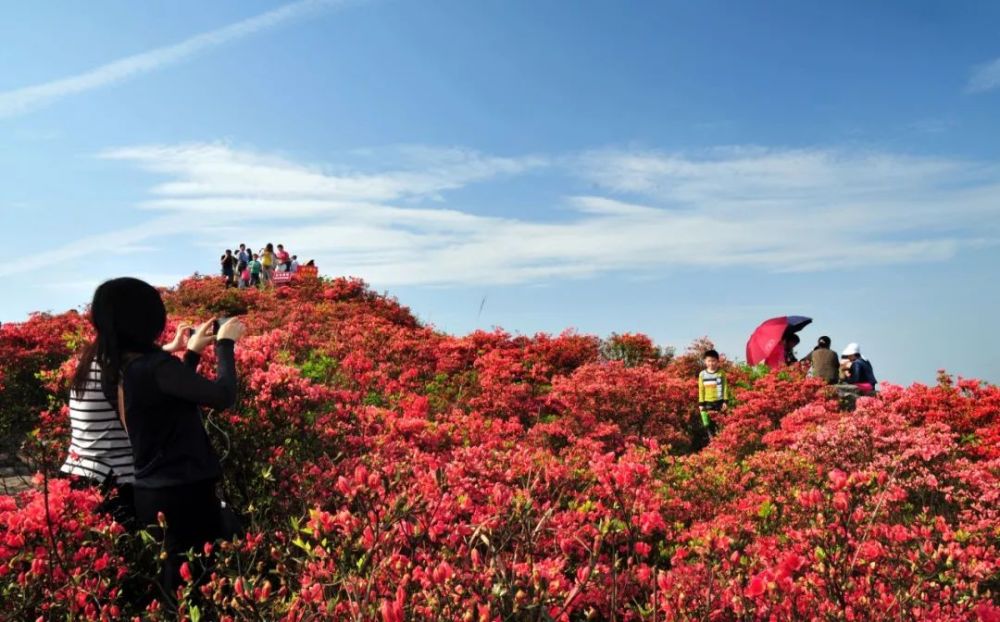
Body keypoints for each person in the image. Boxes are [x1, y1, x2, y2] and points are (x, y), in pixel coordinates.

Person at [86, 277, 246, 602]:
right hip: (185, 494)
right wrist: (225, 344)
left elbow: (168, 400)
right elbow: (223, 396)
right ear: (147, 319)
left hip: (151, 494)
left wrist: (192, 354)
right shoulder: (155, 366)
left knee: (176, 584)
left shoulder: (117, 368)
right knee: (200, 586)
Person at [63, 321, 192, 527]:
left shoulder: (92, 360)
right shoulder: (120, 372)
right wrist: (193, 355)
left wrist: (170, 347)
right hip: (112, 481)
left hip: (80, 477)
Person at [696, 349, 728, 448]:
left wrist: (725, 401)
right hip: (707, 403)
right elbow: (701, 389)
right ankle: (713, 444)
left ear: (718, 361)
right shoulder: (702, 374)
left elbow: (725, 387)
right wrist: (701, 404)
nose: (711, 363)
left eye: (714, 361)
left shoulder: (721, 373)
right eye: (709, 361)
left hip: (719, 402)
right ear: (705, 361)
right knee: (708, 426)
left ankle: (721, 445)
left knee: (720, 425)